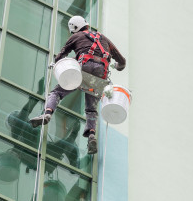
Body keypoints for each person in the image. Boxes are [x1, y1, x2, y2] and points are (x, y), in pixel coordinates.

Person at [29, 15, 126, 154]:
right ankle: (91, 135)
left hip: (83, 69)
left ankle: (47, 114)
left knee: (56, 92)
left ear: (75, 28)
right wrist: (117, 66)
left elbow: (61, 56)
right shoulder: (104, 39)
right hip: (100, 75)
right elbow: (122, 61)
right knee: (91, 109)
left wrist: (56, 64)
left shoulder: (76, 37)